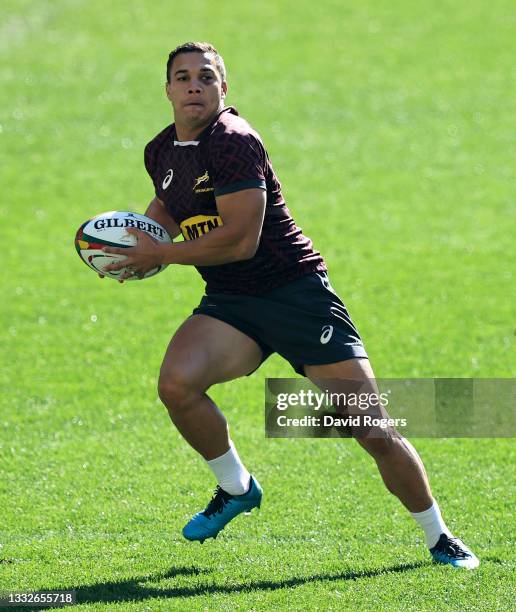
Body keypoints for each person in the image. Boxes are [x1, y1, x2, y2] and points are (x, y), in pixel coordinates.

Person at [103, 42, 479, 569]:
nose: (194, 86)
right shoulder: (160, 150)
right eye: (182, 77)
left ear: (222, 88)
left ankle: (440, 538)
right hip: (233, 302)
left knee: (372, 430)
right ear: (166, 89)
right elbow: (170, 203)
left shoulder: (234, 142)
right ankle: (236, 489)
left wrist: (162, 252)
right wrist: (140, 243)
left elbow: (240, 241)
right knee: (177, 385)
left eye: (205, 77)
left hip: (295, 296)